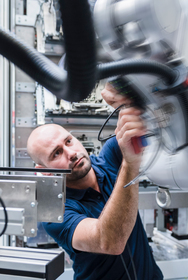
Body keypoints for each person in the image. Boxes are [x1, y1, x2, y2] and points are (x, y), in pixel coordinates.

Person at [27, 82, 163, 280]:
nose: (71, 153)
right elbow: (109, 241)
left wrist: (126, 95)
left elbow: (151, 117)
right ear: (44, 172)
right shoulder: (55, 212)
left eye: (68, 141)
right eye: (56, 153)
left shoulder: (109, 159)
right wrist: (130, 164)